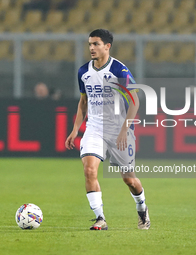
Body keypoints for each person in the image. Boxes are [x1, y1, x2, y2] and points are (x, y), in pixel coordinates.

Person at [65, 29, 150, 230]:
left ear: (107, 46)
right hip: (94, 128)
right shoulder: (83, 72)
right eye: (89, 44)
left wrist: (124, 129)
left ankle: (142, 207)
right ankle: (100, 219)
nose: (91, 48)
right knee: (89, 169)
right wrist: (75, 128)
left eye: (96, 44)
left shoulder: (119, 71)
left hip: (119, 129)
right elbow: (83, 101)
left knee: (129, 180)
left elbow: (135, 101)